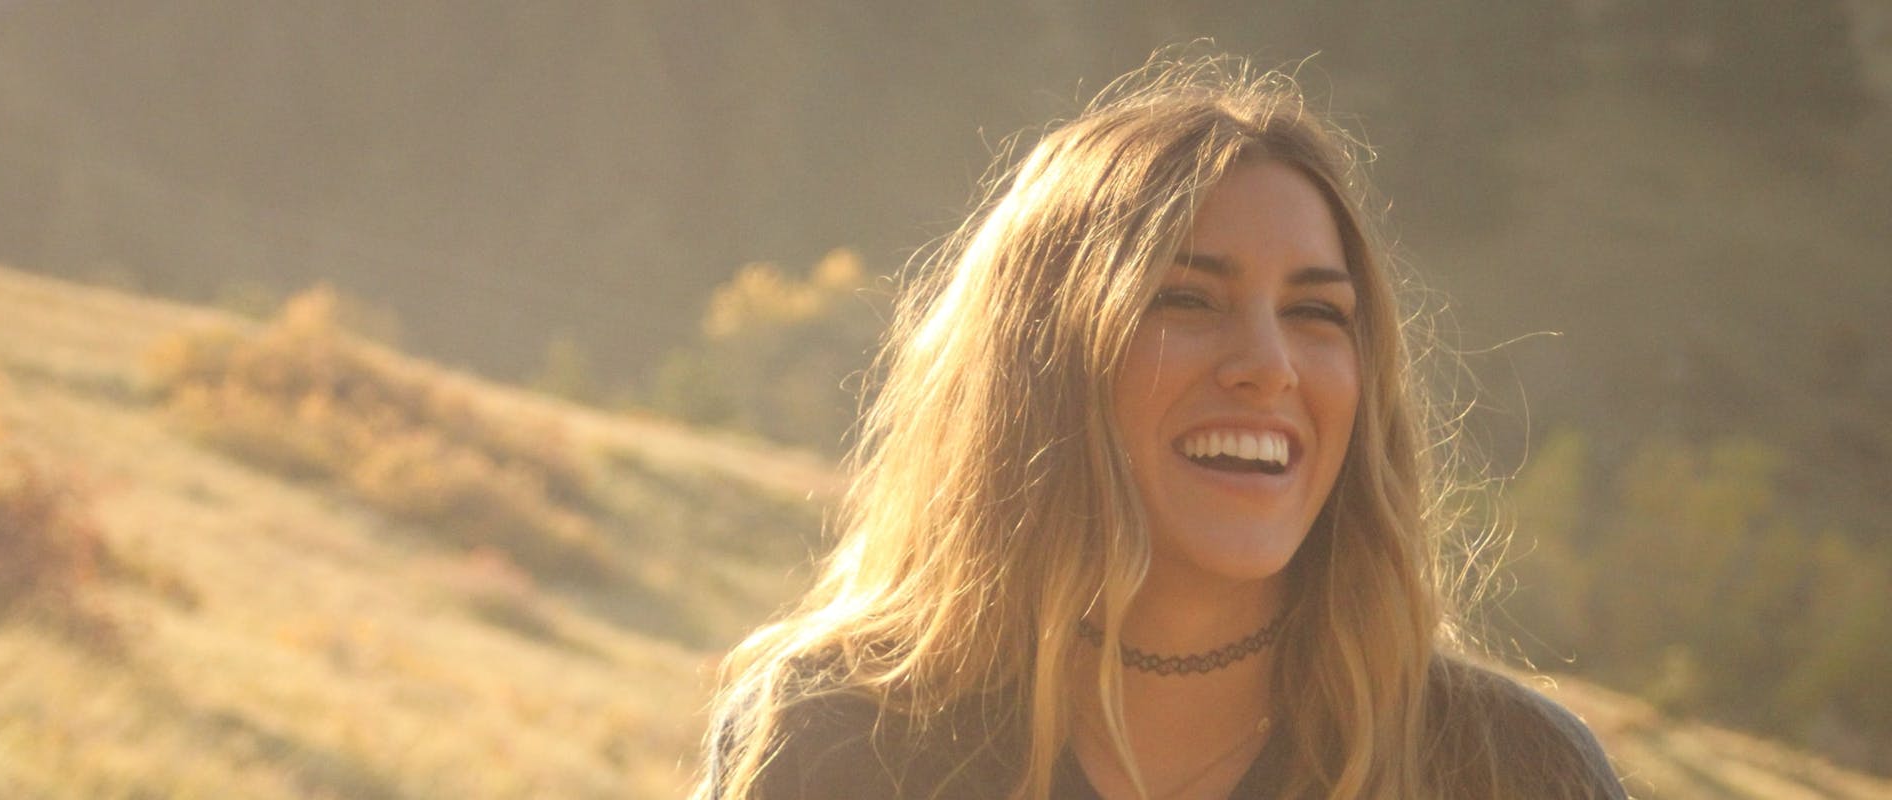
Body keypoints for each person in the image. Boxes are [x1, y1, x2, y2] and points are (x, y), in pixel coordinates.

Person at [696, 54, 1627, 799]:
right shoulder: (836, 743)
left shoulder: (1508, 772)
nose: (1268, 366)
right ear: (1040, 360)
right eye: (1185, 299)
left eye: (1317, 315)